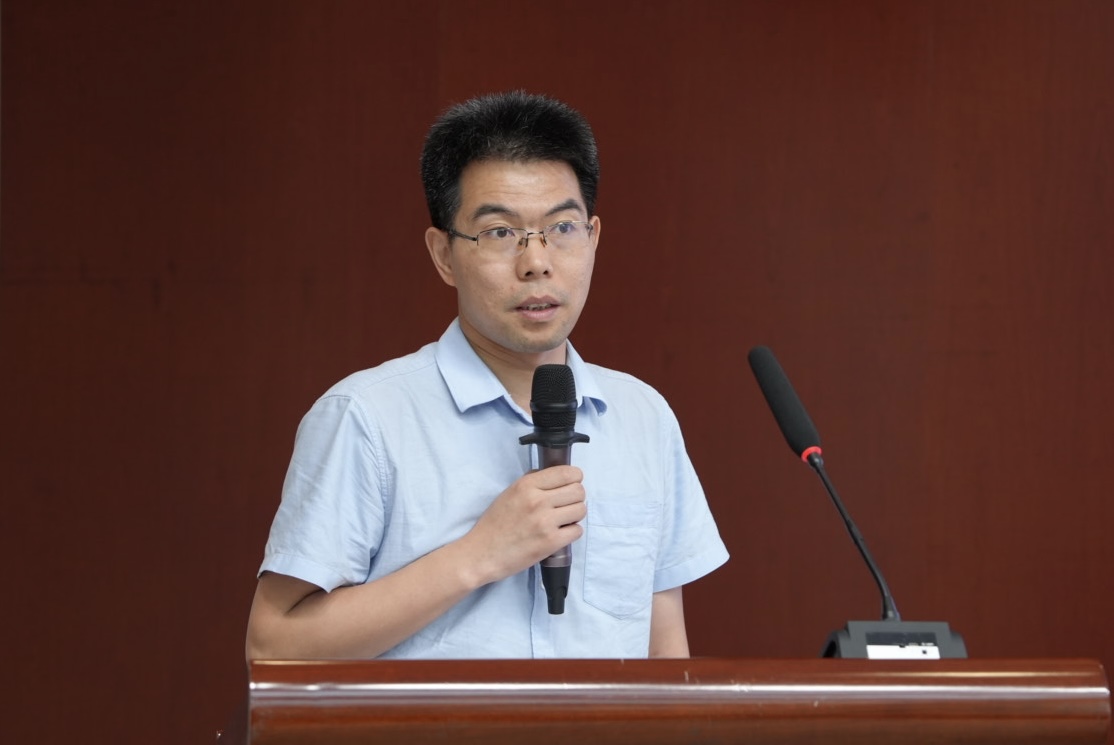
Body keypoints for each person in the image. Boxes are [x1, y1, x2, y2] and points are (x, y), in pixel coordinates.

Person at [245, 91, 728, 660]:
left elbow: (665, 654)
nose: (537, 262)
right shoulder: (367, 418)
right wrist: (478, 556)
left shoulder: (643, 416)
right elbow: (274, 646)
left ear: (594, 238)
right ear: (443, 255)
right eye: (500, 232)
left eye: (562, 228)